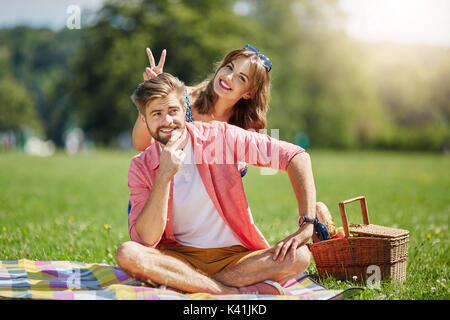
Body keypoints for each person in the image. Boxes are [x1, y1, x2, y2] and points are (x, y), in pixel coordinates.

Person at [116, 73, 316, 295]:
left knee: (299, 256)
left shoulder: (219, 138)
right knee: (128, 253)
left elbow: (295, 156)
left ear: (184, 109)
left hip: (235, 257)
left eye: (173, 111)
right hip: (178, 258)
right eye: (156, 114)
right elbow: (146, 239)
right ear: (143, 119)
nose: (167, 121)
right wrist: (163, 175)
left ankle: (195, 285)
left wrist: (307, 224)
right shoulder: (141, 166)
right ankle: (230, 291)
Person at [131, 44, 271, 152]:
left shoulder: (247, 126)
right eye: (229, 67)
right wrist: (152, 99)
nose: (228, 77)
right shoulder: (180, 98)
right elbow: (141, 145)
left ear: (249, 93)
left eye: (241, 78)